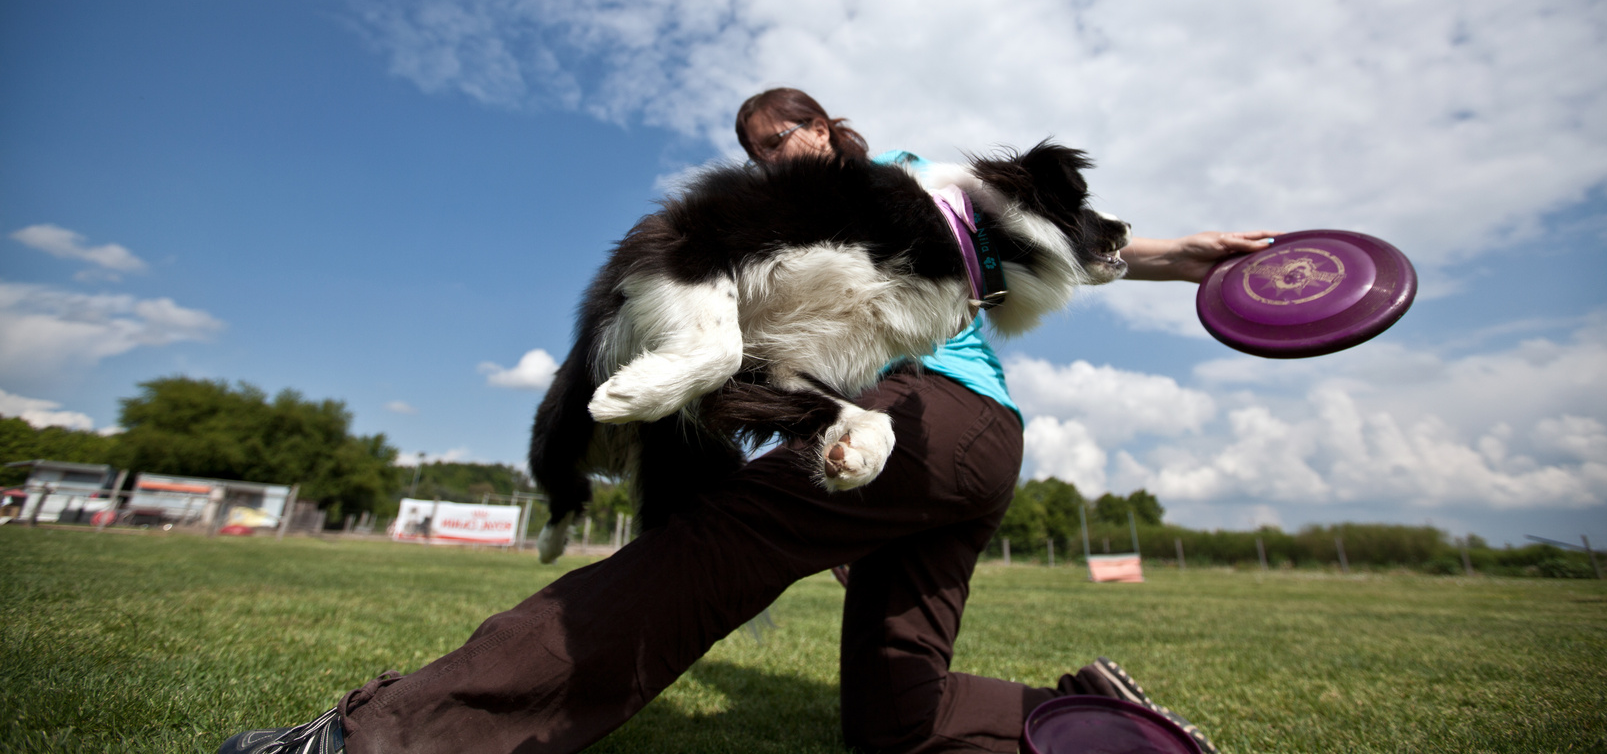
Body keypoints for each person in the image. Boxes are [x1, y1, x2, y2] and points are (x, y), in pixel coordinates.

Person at [220, 89, 1272, 754]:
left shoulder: (894, 184)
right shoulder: (811, 218)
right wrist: (1182, 262)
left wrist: (1182, 256)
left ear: (826, 131)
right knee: (893, 724)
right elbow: (1055, 244)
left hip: (921, 415)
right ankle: (1092, 720)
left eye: (785, 136)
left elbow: (1039, 227)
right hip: (981, 452)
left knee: (693, 560)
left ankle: (374, 744)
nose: (774, 156)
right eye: (756, 147)